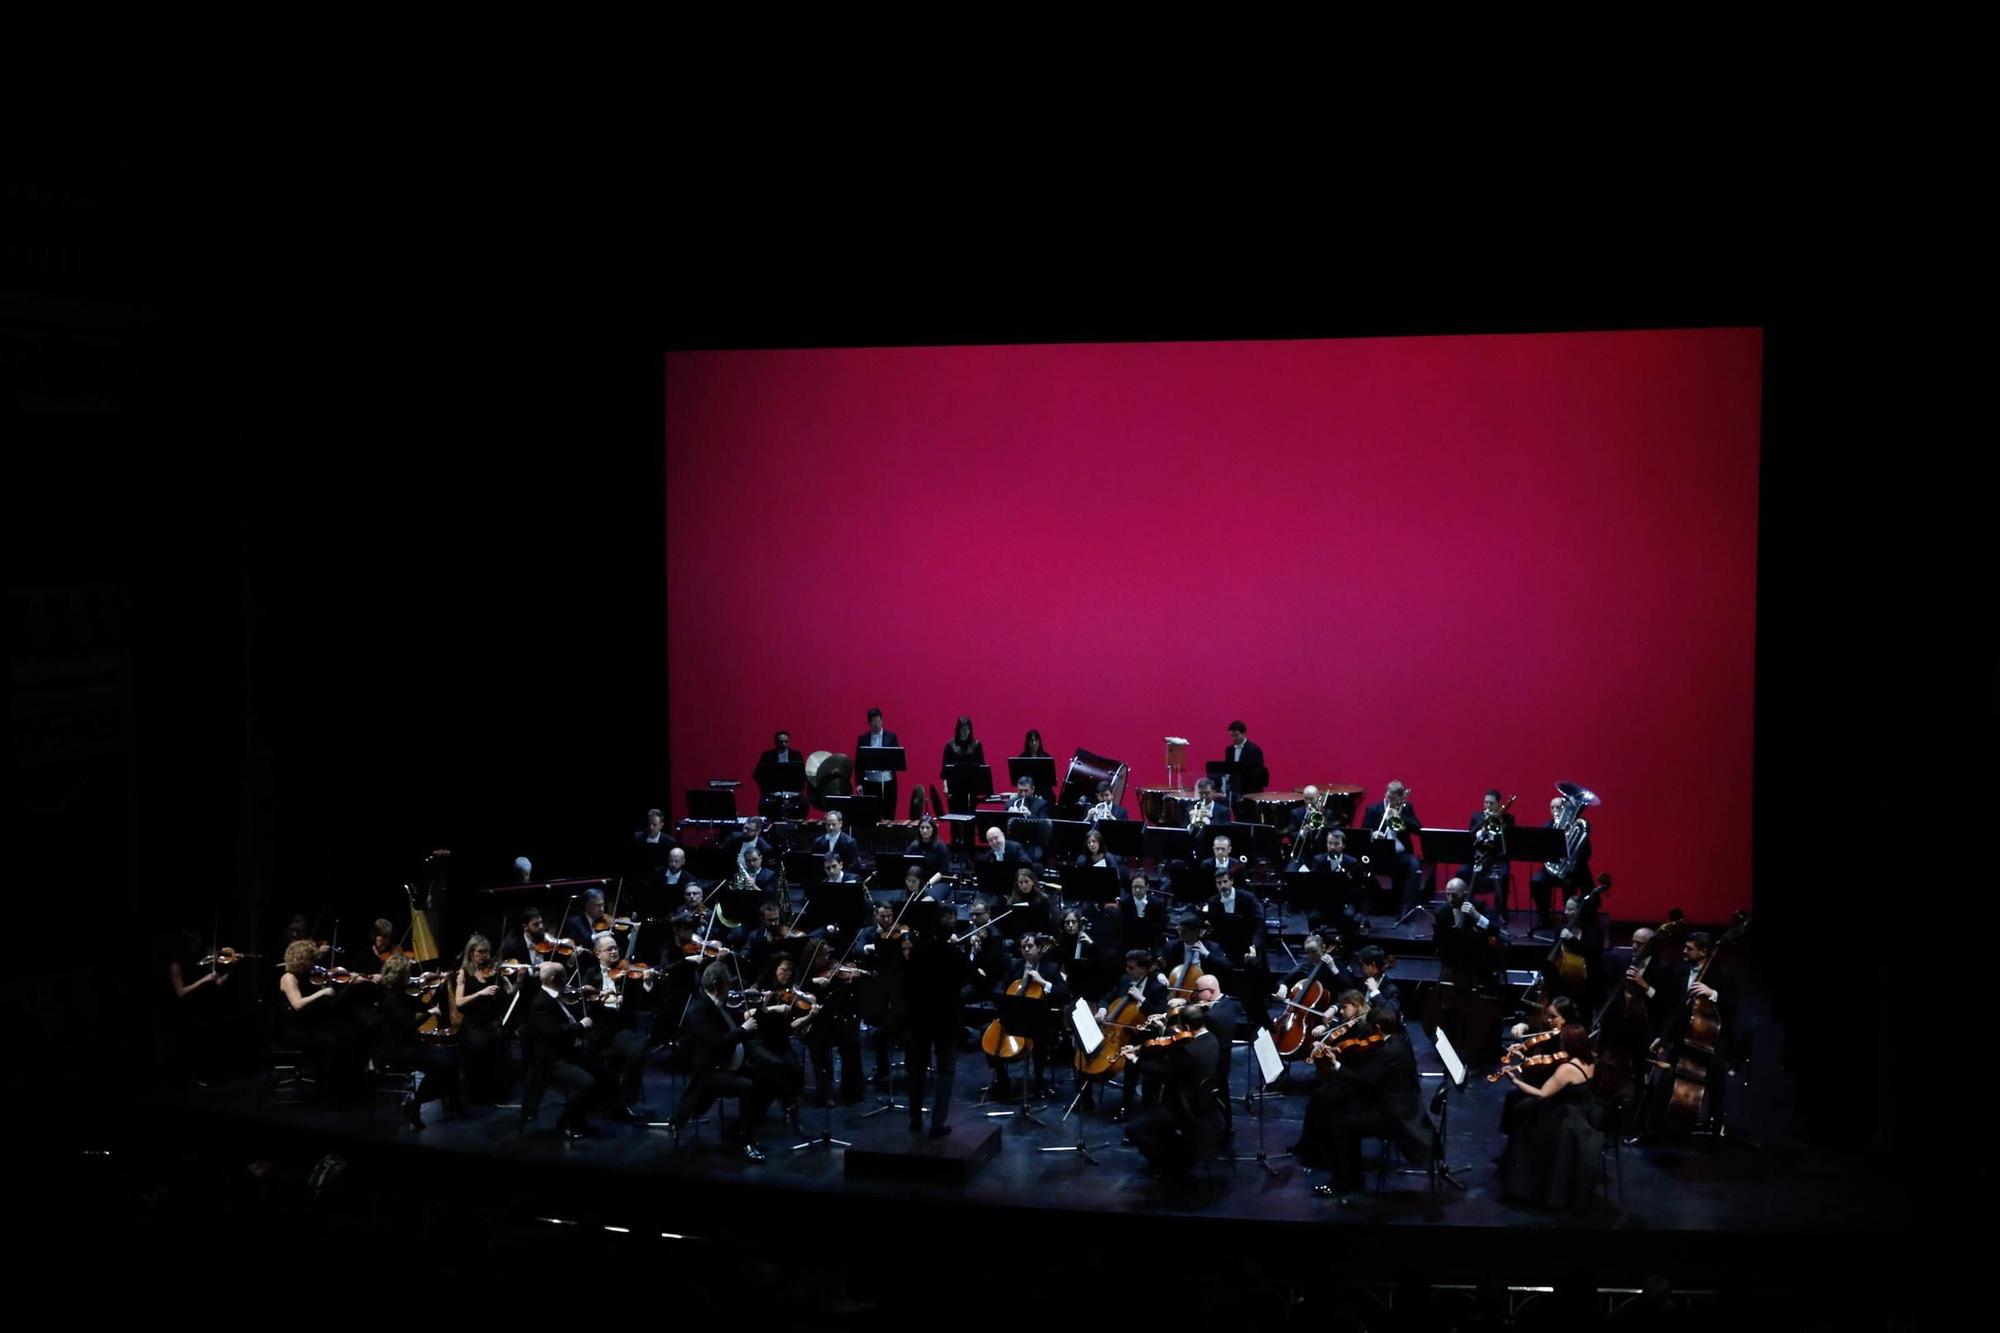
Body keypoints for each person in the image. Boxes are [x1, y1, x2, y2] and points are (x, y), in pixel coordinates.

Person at [1308, 1004, 1433, 1198]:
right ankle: (1353, 1174)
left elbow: (1364, 1080)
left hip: (1393, 1116)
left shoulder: (1388, 1052)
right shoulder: (1401, 1041)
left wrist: (1336, 1064)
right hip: (1405, 1105)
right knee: (1347, 1111)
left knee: (1338, 1123)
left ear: (1378, 1029)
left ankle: (1344, 1182)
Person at [667, 961, 776, 1161]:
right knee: (749, 1088)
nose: (731, 988)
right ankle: (747, 1139)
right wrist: (743, 1030)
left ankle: (740, 1127)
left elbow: (739, 1028)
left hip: (731, 1064)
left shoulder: (720, 1005)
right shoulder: (698, 1010)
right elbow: (717, 1043)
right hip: (711, 1071)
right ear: (717, 985)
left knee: (770, 1078)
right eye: (728, 984)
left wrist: (758, 1010)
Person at [1498, 1024, 1604, 1210]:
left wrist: (1515, 1081)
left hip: (1567, 1122)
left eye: (1563, 1042)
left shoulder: (1568, 1069)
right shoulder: (1592, 1060)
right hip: (1584, 1112)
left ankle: (1524, 1188)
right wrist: (1526, 1059)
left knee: (1525, 1127)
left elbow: (1542, 1094)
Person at [1119, 1002, 1225, 1177]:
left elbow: (1162, 1069)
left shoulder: (1188, 1051)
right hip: (1204, 1104)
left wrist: (1134, 1060)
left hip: (1182, 1107)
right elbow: (1177, 1049)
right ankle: (1177, 1155)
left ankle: (1165, 1166)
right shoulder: (1211, 1040)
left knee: (1133, 1129)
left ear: (1188, 1026)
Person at [518, 962, 616, 1138]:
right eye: (564, 975)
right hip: (553, 1059)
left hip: (571, 1052)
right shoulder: (540, 1003)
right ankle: (567, 1122)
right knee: (587, 1083)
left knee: (606, 1075)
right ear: (555, 979)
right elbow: (554, 1033)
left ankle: (587, 1115)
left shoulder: (560, 995)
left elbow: (575, 1012)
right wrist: (580, 1025)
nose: (567, 979)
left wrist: (596, 1000)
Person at [904, 902, 976, 1135]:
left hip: (920, 1016)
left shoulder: (918, 951)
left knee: (917, 1070)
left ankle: (915, 1118)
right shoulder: (955, 954)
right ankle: (938, 1123)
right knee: (946, 1070)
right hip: (947, 1018)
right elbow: (979, 983)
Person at [375, 954, 466, 1127]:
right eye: (407, 973)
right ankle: (415, 1104)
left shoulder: (402, 991)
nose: (411, 977)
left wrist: (441, 985)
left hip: (411, 1044)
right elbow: (410, 1024)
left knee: (452, 1057)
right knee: (441, 1064)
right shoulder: (390, 997)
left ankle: (453, 1101)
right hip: (396, 1049)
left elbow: (426, 1005)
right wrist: (431, 1013)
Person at [277, 937, 371, 1106]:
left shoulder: (310, 975)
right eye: (312, 961)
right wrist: (322, 993)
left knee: (350, 1034)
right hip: (296, 1029)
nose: (314, 965)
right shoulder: (288, 977)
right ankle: (326, 1093)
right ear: (303, 960)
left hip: (312, 1024)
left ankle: (348, 1089)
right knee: (330, 1043)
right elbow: (298, 1004)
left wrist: (350, 982)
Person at [984, 932, 1068, 1099]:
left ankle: (1038, 1080)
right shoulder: (1016, 965)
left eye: (1031, 946)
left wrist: (1043, 982)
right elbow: (1000, 987)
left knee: (1040, 1038)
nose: (1027, 950)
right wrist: (1005, 994)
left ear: (1038, 948)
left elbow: (1065, 994)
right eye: (1024, 947)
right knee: (986, 1034)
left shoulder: (1050, 968)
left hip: (1042, 1019)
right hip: (1014, 1017)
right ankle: (1002, 1078)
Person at [579, 932, 656, 1112]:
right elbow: (585, 1004)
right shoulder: (590, 974)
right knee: (583, 1055)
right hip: (598, 1027)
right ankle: (597, 1096)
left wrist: (647, 984)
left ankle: (624, 1100)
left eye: (616, 948)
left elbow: (643, 1003)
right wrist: (600, 999)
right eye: (609, 949)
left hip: (620, 1027)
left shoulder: (628, 974)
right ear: (598, 953)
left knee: (636, 1053)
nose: (614, 952)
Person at [449, 934, 515, 1103]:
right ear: (471, 952)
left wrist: (519, 980)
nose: (484, 956)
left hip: (491, 1022)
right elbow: (459, 1002)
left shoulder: (495, 971)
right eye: (480, 952)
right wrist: (480, 993)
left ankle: (497, 1092)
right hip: (473, 1025)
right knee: (478, 1045)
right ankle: (477, 1095)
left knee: (501, 1037)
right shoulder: (463, 973)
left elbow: (510, 993)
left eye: (487, 953)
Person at [1529, 795, 1594, 928]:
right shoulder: (1547, 826)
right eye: (1552, 808)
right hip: (1551, 869)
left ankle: (1569, 919)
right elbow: (1540, 852)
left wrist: (1574, 852)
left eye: (1558, 807)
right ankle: (1544, 917)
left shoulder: (1578, 826)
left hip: (1571, 871)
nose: (1555, 810)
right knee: (1536, 881)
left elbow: (1587, 854)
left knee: (1569, 884)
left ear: (1566, 809)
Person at [1361, 781, 1424, 915]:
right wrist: (1373, 834)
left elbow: (1418, 829)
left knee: (1414, 865)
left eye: (1393, 798)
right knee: (1360, 864)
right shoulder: (1373, 809)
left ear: (1400, 798)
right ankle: (1368, 906)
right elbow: (1364, 831)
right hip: (1379, 853)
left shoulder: (1406, 809)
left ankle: (1406, 909)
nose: (1389, 800)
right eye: (1387, 796)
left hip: (1400, 854)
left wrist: (1400, 816)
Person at [1462, 789, 1515, 908]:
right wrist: (1482, 830)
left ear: (1498, 804)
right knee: (1463, 871)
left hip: (1498, 857)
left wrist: (1498, 822)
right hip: (1480, 855)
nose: (1488, 806)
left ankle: (1501, 912)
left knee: (1502, 875)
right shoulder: (1477, 817)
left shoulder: (1508, 818)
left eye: (1491, 803)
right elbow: (1470, 836)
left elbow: (1508, 839)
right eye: (1486, 803)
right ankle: (1464, 904)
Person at [856, 707, 900, 817]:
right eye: (873, 722)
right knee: (870, 814)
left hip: (887, 781)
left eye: (878, 721)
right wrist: (859, 783)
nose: (876, 724)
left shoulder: (891, 737)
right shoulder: (863, 739)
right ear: (869, 723)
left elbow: (897, 757)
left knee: (888, 814)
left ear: (882, 721)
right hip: (869, 782)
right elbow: (858, 763)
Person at [940, 716, 984, 814]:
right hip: (954, 787)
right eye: (962, 729)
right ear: (958, 729)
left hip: (971, 787)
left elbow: (982, 768)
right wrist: (945, 786)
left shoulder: (976, 745)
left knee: (971, 818)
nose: (965, 732)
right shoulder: (950, 745)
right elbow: (945, 768)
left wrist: (982, 788)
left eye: (967, 729)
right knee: (954, 817)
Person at [1117, 871, 1168, 954]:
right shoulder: (1125, 903)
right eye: (1134, 887)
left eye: (1140, 887)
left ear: (1147, 887)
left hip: (1151, 942)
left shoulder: (1157, 903)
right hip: (1131, 942)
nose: (1137, 890)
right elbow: (1122, 927)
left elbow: (1162, 925)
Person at [1219, 720, 1266, 797]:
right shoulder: (1229, 750)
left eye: (1236, 735)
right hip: (1235, 789)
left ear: (1244, 733)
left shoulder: (1254, 750)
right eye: (1231, 736)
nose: (1233, 738)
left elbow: (1258, 772)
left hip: (1251, 789)